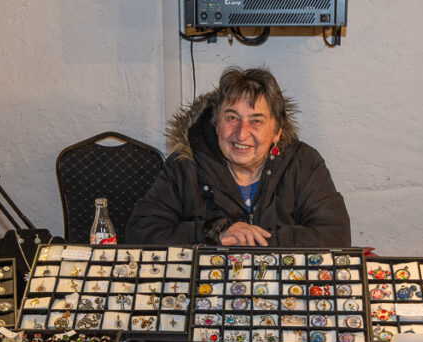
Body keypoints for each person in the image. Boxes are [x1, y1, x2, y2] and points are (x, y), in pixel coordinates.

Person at [127, 67, 350, 247]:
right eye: (232, 118)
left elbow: (335, 236)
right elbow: (140, 233)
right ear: (216, 124)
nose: (242, 133)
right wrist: (214, 233)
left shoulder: (303, 164)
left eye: (256, 121)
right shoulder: (185, 165)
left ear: (277, 131)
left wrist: (254, 241)